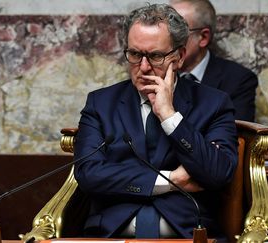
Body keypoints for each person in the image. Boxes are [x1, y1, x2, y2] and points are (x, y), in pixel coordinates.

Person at [73, 3, 238, 240]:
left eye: (155, 56)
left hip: (186, 235)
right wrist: (170, 180)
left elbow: (218, 173)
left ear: (179, 57)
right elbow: (89, 174)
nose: (143, 67)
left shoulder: (213, 104)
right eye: (134, 54)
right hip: (113, 234)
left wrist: (170, 116)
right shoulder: (101, 103)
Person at [170, 0, 258, 122]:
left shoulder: (238, 81)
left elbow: (235, 135)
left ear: (203, 37)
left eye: (177, 32)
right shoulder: (152, 72)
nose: (167, 39)